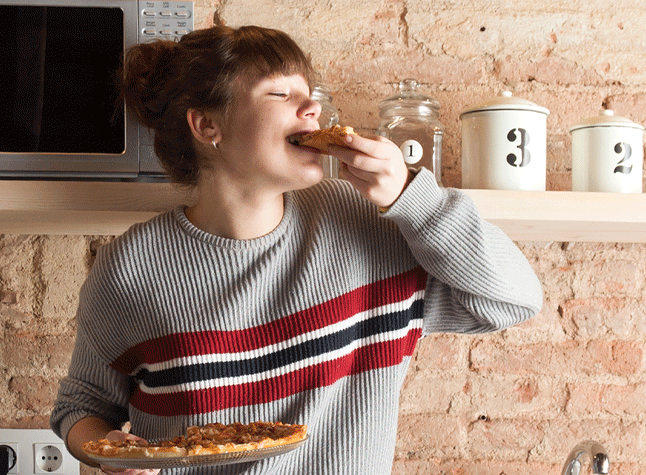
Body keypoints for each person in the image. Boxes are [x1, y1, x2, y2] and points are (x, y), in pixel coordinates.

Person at [49, 25, 544, 475]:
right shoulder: (130, 268)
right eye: (281, 94)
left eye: (310, 96)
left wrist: (410, 196)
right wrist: (111, 452)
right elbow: (81, 407)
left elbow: (513, 300)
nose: (312, 111)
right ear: (207, 127)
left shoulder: (367, 224)